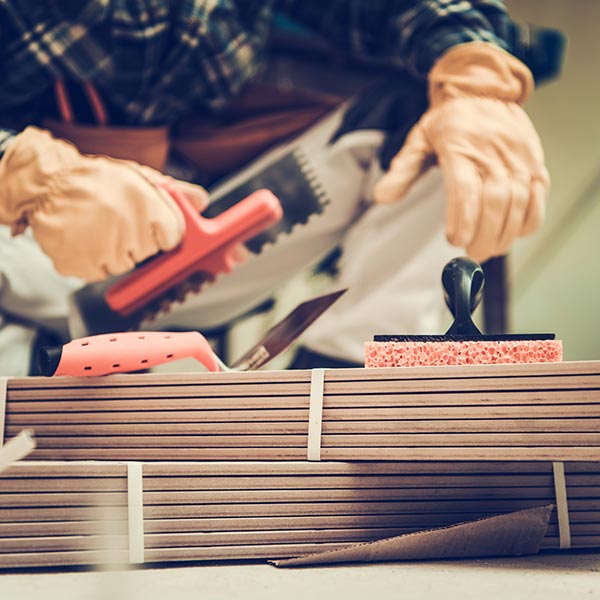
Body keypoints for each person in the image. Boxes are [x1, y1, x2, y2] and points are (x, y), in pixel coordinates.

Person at [0, 1, 551, 375]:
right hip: (16, 243)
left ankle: (343, 384)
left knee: (430, 129)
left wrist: (475, 77)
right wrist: (27, 175)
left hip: (188, 231)